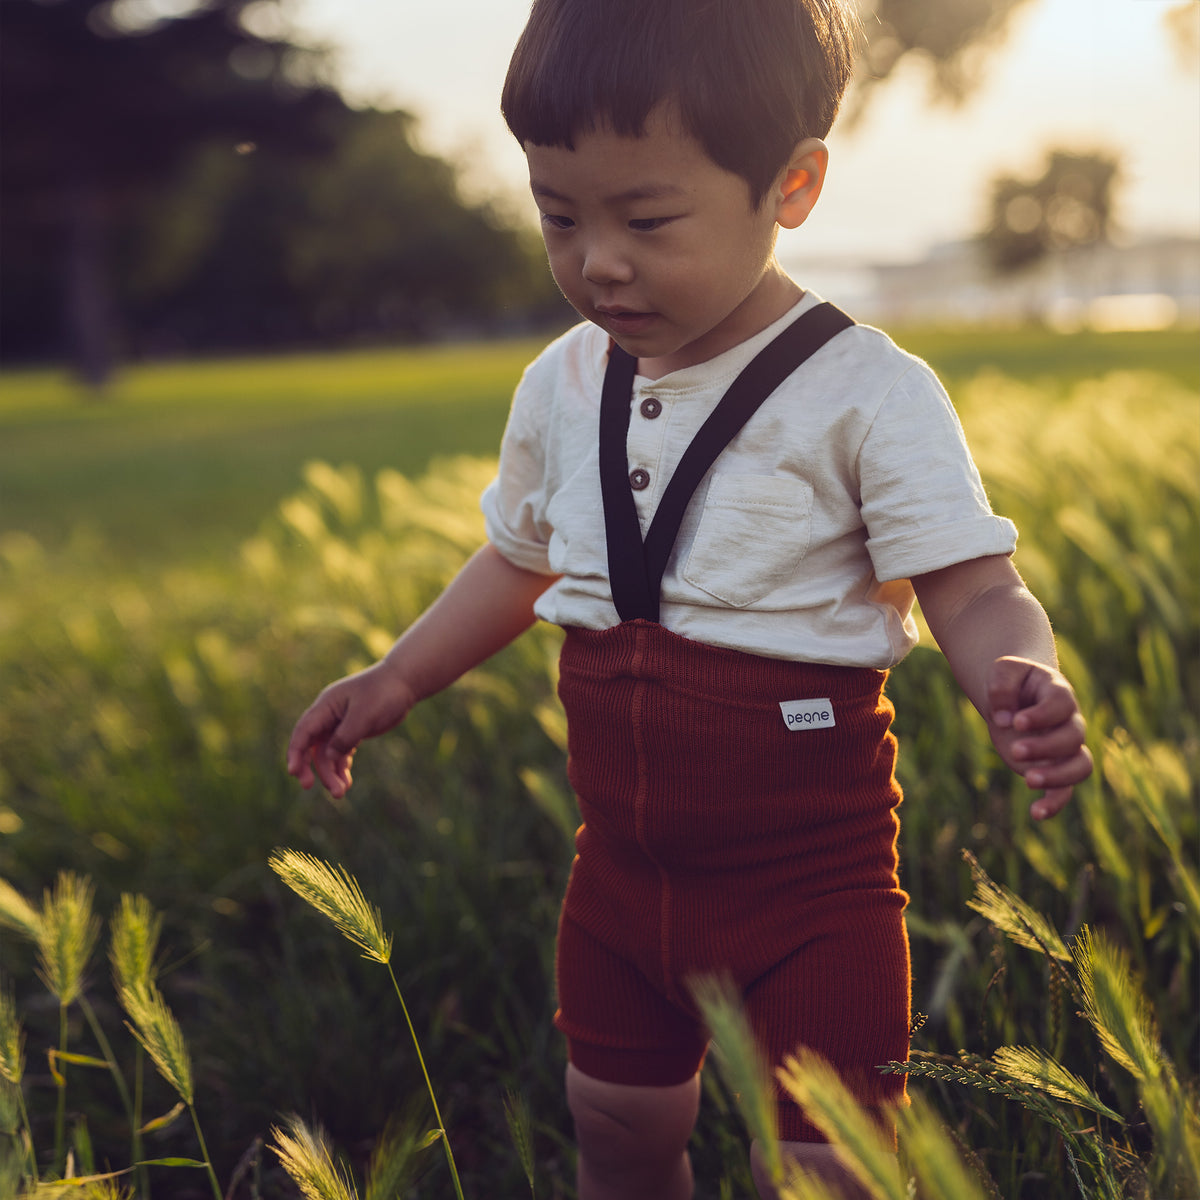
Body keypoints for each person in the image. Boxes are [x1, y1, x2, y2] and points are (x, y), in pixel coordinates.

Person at [286, 2, 1093, 1196]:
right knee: (615, 1130)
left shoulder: (865, 392)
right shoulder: (562, 383)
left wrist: (1018, 671)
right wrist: (399, 673)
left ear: (793, 186)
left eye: (646, 218)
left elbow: (974, 588)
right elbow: (521, 559)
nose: (597, 259)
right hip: (618, 877)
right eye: (558, 215)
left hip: (811, 891)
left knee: (832, 1167)